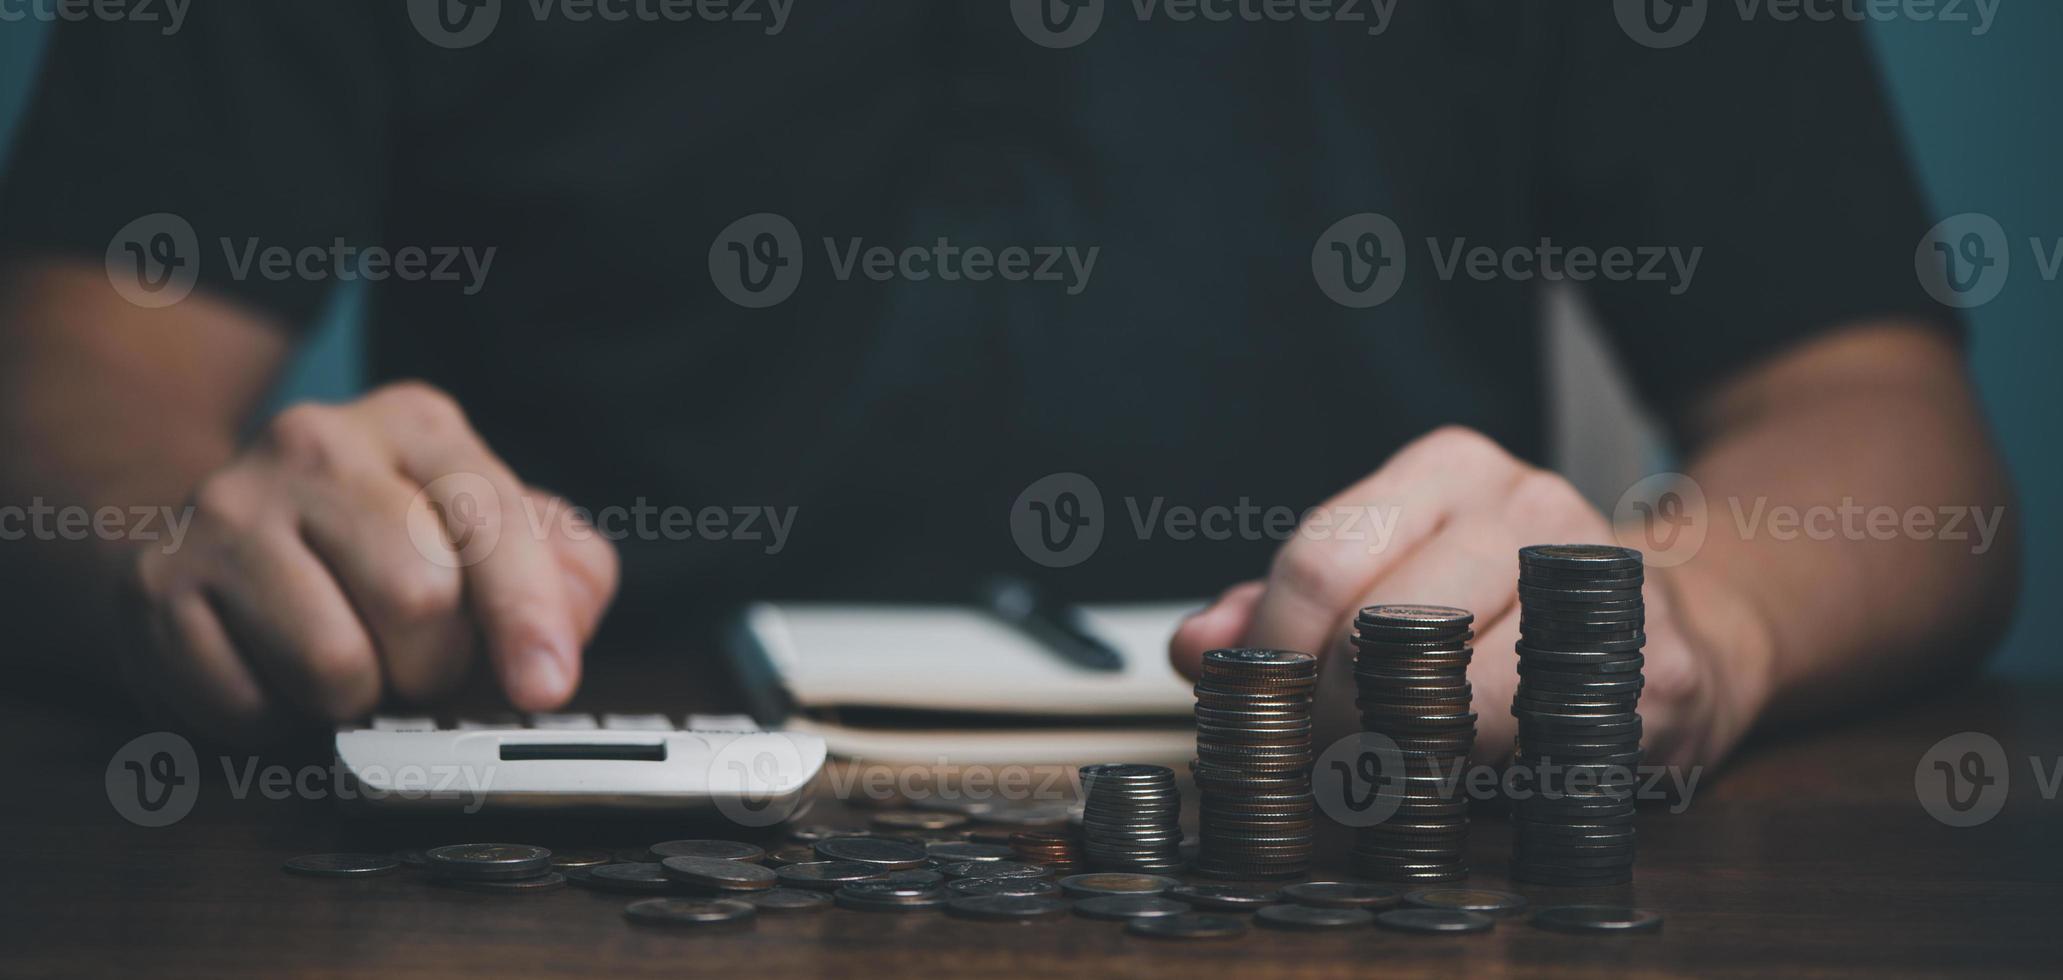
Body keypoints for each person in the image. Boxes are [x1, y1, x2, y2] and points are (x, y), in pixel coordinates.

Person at [0, 3, 2016, 765]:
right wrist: (178, 537)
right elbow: (78, 361)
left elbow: (1882, 421)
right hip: (574, 797)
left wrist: (1703, 606)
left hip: (1367, 811)